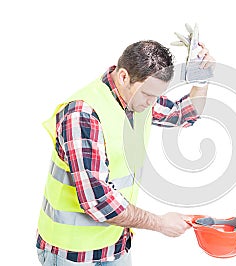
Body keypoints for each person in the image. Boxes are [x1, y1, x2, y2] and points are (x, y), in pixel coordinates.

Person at [36, 40, 214, 265]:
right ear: (123, 77)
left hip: (115, 245)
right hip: (73, 253)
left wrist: (201, 79)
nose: (152, 103)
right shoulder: (82, 115)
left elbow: (185, 113)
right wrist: (160, 223)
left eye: (156, 96)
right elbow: (97, 201)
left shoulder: (139, 101)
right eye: (148, 94)